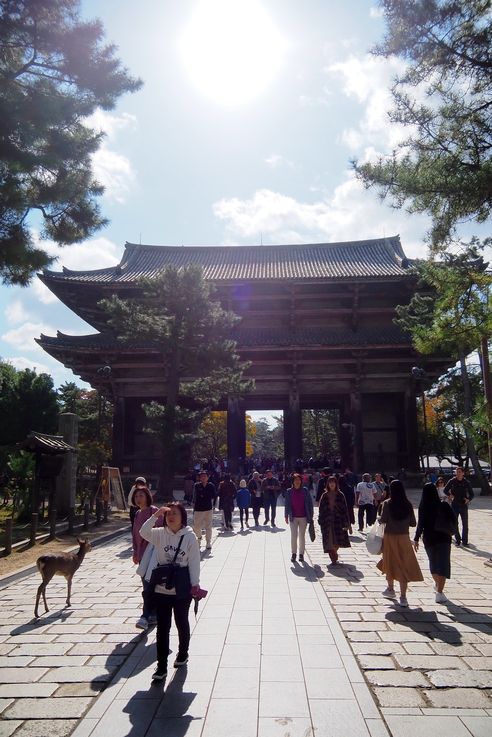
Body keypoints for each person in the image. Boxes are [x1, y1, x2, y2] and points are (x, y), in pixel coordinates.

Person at [139, 502, 200, 682]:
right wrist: (155, 515)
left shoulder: (190, 537)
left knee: (182, 622)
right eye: (168, 514)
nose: (171, 517)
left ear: (182, 517)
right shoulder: (159, 534)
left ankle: (183, 653)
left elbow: (194, 563)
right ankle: (161, 666)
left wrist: (195, 585)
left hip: (182, 589)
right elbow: (143, 532)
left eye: (175, 513)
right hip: (161, 588)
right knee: (162, 628)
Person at [377, 479, 423, 608]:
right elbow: (413, 523)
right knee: (403, 566)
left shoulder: (387, 503)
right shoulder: (408, 504)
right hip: (404, 538)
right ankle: (403, 597)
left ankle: (390, 589)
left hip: (390, 537)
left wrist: (379, 518)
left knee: (389, 562)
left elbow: (383, 519)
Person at [414, 482, 457, 603]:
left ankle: (437, 585)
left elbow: (420, 524)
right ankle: (439, 592)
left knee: (433, 563)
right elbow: (454, 519)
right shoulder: (444, 505)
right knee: (443, 564)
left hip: (429, 538)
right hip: (444, 537)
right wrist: (452, 532)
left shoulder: (423, 507)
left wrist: (416, 539)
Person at [129, 484, 163, 630]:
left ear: (147, 496)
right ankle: (152, 613)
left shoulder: (154, 511)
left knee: (149, 586)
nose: (138, 498)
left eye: (141, 495)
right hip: (142, 554)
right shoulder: (137, 514)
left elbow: (161, 532)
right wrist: (135, 552)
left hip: (153, 554)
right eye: (136, 496)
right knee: (146, 585)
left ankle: (146, 615)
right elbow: (135, 535)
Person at [318, 475, 351, 565]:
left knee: (337, 540)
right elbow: (321, 509)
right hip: (327, 521)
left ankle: (334, 552)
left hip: (338, 521)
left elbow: (345, 509)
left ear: (336, 484)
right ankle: (333, 557)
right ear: (328, 484)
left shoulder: (340, 495)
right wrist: (320, 519)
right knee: (329, 540)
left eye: (333, 482)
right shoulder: (324, 495)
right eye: (330, 482)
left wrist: (347, 522)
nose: (332, 484)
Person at [284, 473, 314, 562]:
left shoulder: (305, 491)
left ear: (301, 481)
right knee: (294, 536)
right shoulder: (289, 491)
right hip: (293, 517)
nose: (297, 481)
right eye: (295, 480)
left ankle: (301, 554)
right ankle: (294, 553)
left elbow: (310, 504)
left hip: (303, 517)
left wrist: (311, 515)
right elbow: (287, 504)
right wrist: (286, 515)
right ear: (292, 481)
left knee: (302, 536)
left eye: (299, 480)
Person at [443, 467, 474, 546]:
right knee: (455, 523)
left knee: (465, 524)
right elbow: (445, 490)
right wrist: (450, 495)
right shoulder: (452, 481)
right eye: (457, 472)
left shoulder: (466, 482)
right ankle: (458, 540)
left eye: (459, 472)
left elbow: (472, 494)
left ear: (463, 473)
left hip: (463, 505)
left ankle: (465, 541)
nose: (458, 474)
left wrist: (468, 499)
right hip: (455, 505)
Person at [192, 470, 217, 549]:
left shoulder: (211, 486)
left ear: (207, 477)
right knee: (197, 526)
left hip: (208, 508)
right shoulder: (197, 485)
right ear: (199, 478)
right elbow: (195, 496)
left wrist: (214, 505)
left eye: (205, 476)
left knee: (208, 526)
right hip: (198, 508)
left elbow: (214, 496)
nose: (203, 478)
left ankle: (208, 542)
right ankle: (198, 539)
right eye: (201, 476)